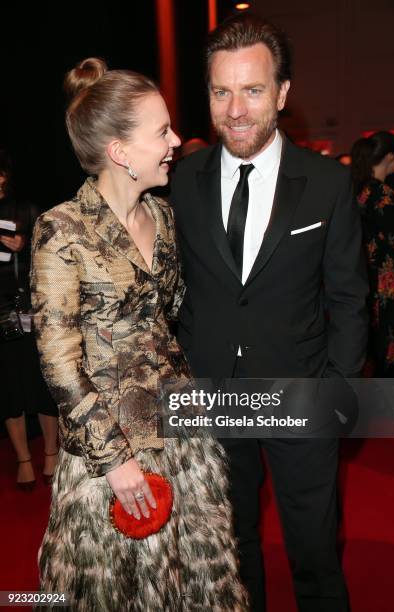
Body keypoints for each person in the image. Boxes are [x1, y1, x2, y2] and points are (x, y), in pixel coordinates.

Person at [30, 58, 247, 611]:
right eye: (162, 131)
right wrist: (115, 460)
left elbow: (167, 324)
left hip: (182, 434)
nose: (176, 140)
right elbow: (59, 362)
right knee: (116, 594)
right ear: (120, 152)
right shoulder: (62, 229)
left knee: (196, 584)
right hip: (110, 454)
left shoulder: (165, 217)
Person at [170, 14, 368, 612]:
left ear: (282, 94)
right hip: (212, 398)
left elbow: (350, 298)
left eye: (252, 90)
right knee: (231, 552)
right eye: (220, 91)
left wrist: (335, 389)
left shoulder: (328, 184)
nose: (235, 109)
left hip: (300, 394)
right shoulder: (180, 182)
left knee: (314, 552)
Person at [0, 149, 58, 489]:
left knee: (41, 381)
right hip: (0, 311)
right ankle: (23, 458)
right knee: (9, 389)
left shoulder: (28, 209)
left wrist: (26, 244)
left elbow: (54, 252)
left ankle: (51, 452)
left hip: (32, 307)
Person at [351, 131, 394, 376]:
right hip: (390, 282)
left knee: (378, 346)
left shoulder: (360, 189)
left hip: (370, 277)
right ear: (389, 156)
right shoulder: (380, 193)